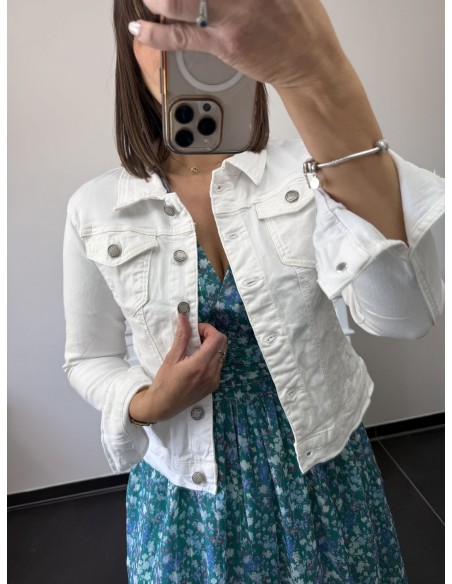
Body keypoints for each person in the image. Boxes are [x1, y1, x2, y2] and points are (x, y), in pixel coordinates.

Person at [63, 0, 444, 581]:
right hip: (183, 494)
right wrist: (147, 403)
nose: (187, 44)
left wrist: (318, 71)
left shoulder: (314, 169)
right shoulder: (95, 208)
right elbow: (88, 357)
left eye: (207, 21)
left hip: (322, 475)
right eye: (161, 23)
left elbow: (406, 315)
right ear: (128, 44)